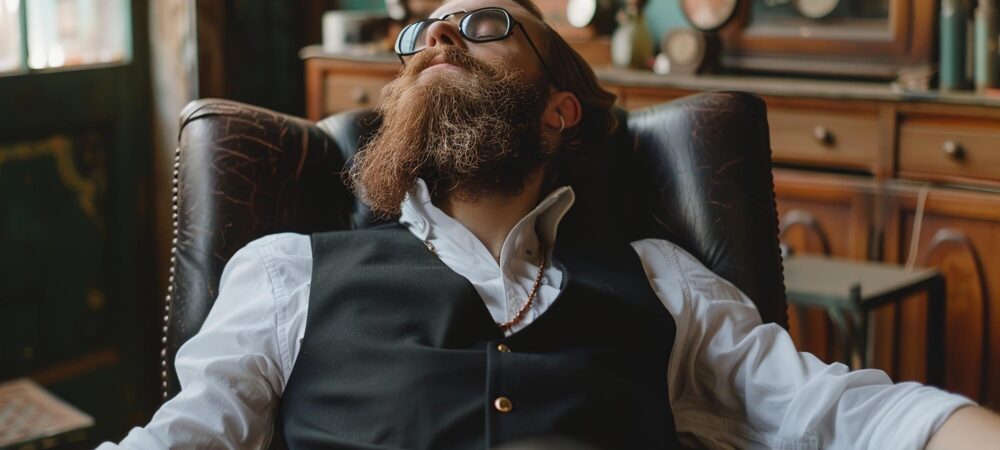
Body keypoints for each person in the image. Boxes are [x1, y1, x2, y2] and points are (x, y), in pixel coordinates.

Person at [100, 0, 1000, 448]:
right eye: (422, 34)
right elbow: (185, 437)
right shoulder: (286, 272)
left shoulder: (659, 279)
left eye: (482, 23)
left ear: (557, 112)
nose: (438, 37)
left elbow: (834, 411)